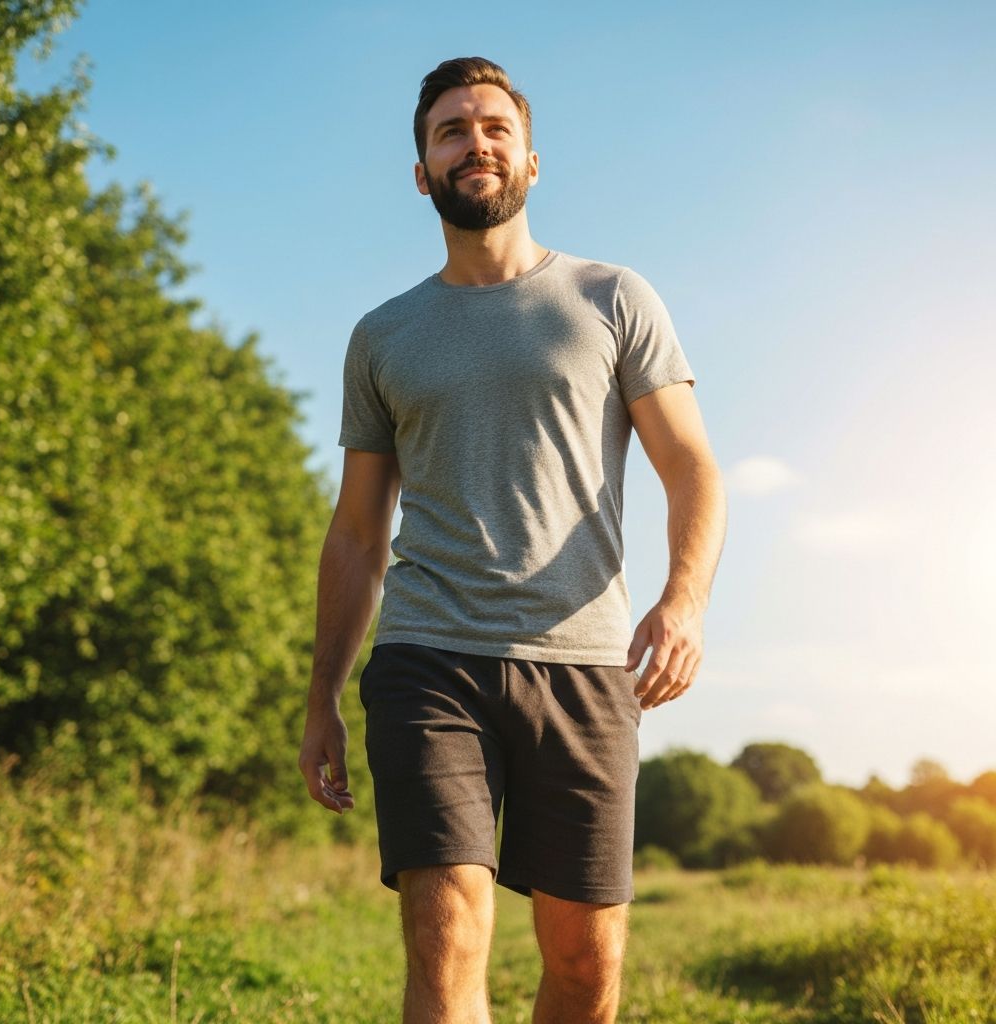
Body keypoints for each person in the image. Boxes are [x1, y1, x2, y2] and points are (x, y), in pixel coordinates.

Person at [298, 56, 727, 1024]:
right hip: (427, 655)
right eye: (449, 130)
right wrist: (321, 694)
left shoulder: (613, 298)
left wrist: (685, 599)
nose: (473, 142)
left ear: (531, 159)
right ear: (421, 172)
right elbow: (358, 530)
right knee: (448, 932)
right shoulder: (383, 334)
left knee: (583, 961)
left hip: (582, 662)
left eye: (493, 126)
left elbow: (692, 467)